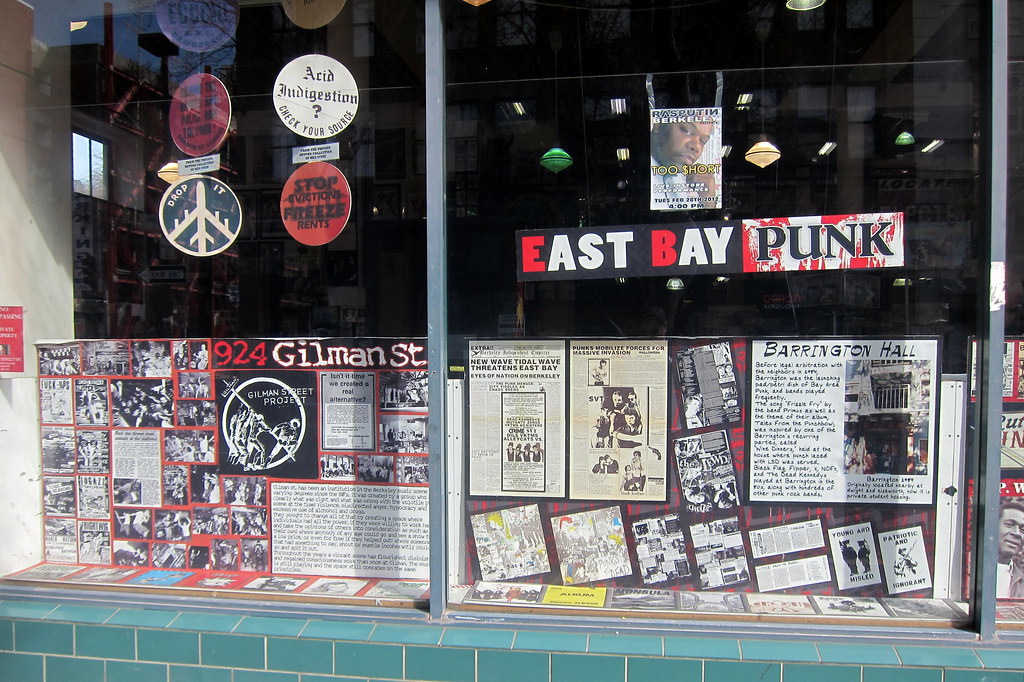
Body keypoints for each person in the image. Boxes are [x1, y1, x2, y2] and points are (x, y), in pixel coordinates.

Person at [651, 117, 718, 207]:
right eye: (687, 131)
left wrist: (708, 203)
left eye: (703, 141)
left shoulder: (687, 183)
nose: (697, 147)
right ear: (658, 124)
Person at [997, 498, 1024, 598]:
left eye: (1023, 529)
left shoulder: (1021, 581)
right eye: (1009, 525)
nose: (1017, 533)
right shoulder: (970, 573)